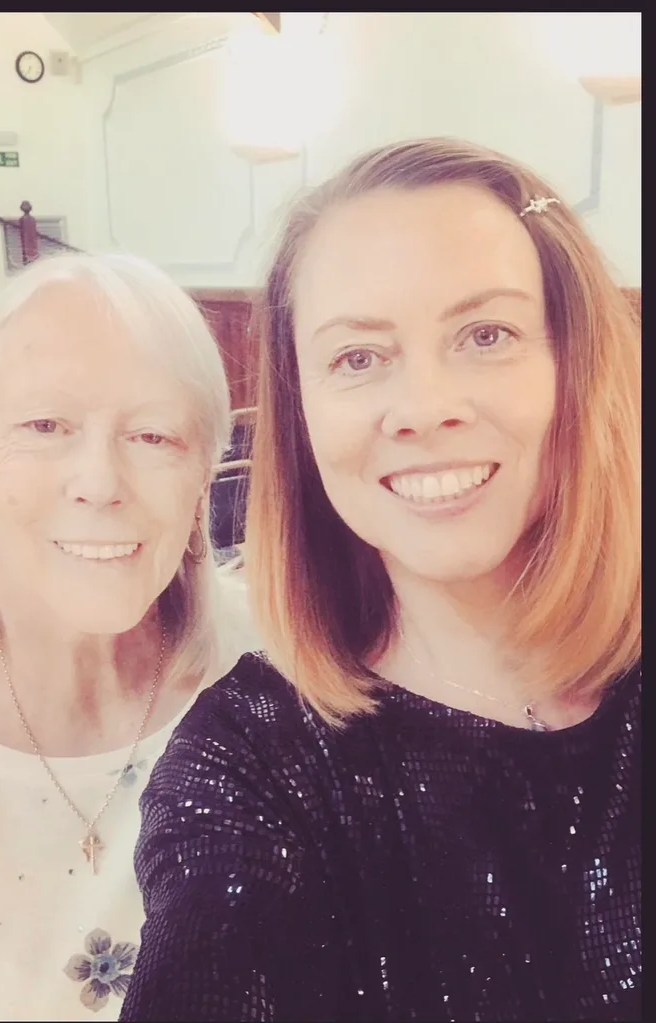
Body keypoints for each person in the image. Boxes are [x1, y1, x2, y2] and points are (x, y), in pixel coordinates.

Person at [120, 138, 641, 1022]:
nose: (423, 406)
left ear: (575, 364)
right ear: (302, 411)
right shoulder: (249, 767)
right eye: (358, 357)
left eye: (486, 335)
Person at [0, 253, 255, 1022]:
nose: (99, 481)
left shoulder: (292, 680)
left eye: (154, 435)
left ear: (204, 472)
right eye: (45, 424)